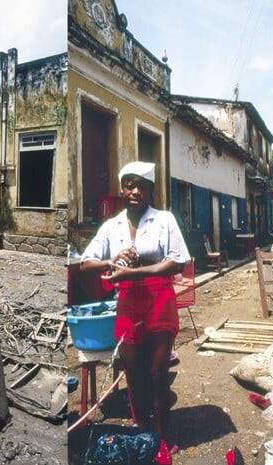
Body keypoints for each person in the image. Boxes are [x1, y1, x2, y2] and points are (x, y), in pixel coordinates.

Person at [79, 161, 191, 465]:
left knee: (157, 374)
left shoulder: (163, 220)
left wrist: (135, 271)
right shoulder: (111, 226)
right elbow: (86, 263)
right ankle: (143, 433)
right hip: (128, 302)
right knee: (135, 374)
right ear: (122, 187)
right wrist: (112, 261)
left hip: (159, 298)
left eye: (142, 185)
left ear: (151, 190)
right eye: (130, 184)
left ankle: (162, 438)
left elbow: (178, 261)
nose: (135, 191)